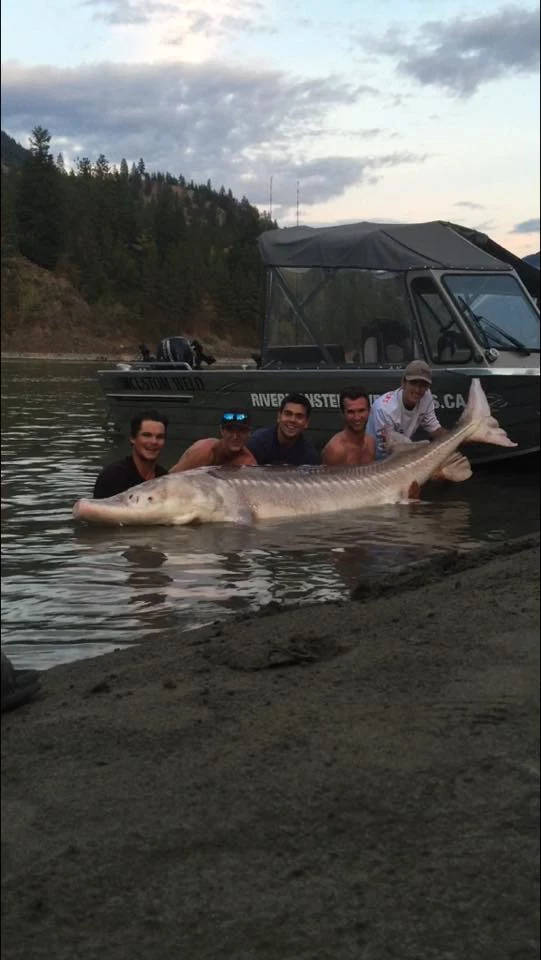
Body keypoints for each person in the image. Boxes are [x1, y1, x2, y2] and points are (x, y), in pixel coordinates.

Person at [366, 360, 448, 461]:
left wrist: (457, 437)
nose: (417, 390)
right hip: (377, 458)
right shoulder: (384, 409)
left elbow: (433, 427)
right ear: (403, 382)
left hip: (402, 449)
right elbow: (386, 450)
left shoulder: (426, 396)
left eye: (423, 385)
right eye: (413, 383)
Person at [93, 411, 169, 498]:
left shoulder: (163, 477)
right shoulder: (112, 476)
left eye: (159, 437)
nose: (154, 442)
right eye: (147, 435)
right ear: (133, 438)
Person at [169, 409, 257, 472]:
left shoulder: (248, 463)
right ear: (221, 431)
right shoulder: (203, 451)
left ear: (249, 433)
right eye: (230, 430)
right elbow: (171, 478)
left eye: (241, 431)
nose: (235, 437)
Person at [247, 393, 320, 466]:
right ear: (279, 417)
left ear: (306, 423)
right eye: (288, 414)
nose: (292, 420)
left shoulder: (310, 456)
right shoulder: (257, 443)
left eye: (299, 416)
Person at [321, 387, 376, 466]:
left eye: (361, 411)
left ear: (369, 411)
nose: (357, 417)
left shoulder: (371, 442)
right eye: (350, 412)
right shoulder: (336, 450)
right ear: (342, 414)